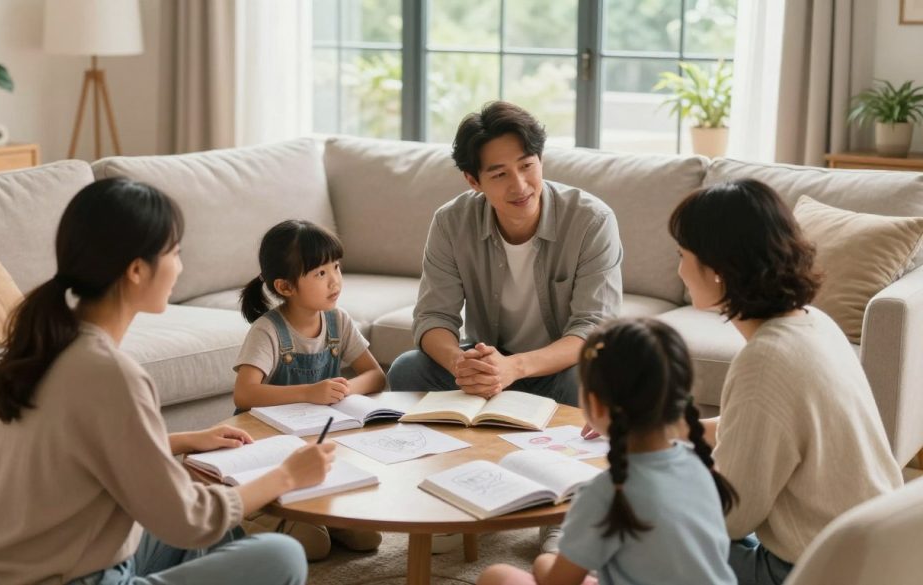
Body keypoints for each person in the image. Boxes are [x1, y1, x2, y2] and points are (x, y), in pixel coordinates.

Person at [0, 178, 334, 585]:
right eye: (174, 252)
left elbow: (74, 452)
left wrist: (186, 439)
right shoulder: (109, 373)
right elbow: (189, 520)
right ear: (137, 270)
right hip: (69, 577)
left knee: (220, 527)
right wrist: (288, 476)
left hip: (0, 569)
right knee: (280, 557)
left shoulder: (45, 345)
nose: (180, 266)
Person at [668, 178, 903, 584]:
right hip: (872, 553)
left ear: (719, 270)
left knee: (650, 523)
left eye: (682, 254)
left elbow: (731, 520)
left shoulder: (764, 361)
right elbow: (764, 431)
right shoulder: (814, 323)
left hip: (813, 571)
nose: (679, 269)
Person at [387, 101, 623, 408]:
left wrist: (515, 368)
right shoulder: (451, 222)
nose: (520, 186)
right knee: (407, 370)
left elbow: (594, 329)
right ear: (474, 181)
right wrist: (463, 365)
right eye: (499, 175)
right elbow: (433, 317)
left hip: (557, 367)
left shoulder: (592, 220)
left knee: (595, 381)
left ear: (541, 160)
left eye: (527, 166)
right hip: (490, 363)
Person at [477, 318, 738, 585]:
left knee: (497, 576)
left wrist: (548, 566)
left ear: (596, 405)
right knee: (548, 563)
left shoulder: (604, 494)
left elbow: (559, 582)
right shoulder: (706, 467)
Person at [233, 219, 386, 559]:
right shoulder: (268, 331)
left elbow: (375, 376)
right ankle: (245, 518)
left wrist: (345, 390)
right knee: (313, 546)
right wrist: (309, 392)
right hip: (269, 453)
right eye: (320, 273)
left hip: (315, 450)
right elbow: (244, 394)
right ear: (285, 287)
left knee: (368, 539)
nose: (335, 280)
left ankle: (314, 511)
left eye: (336, 267)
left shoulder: (338, 321)